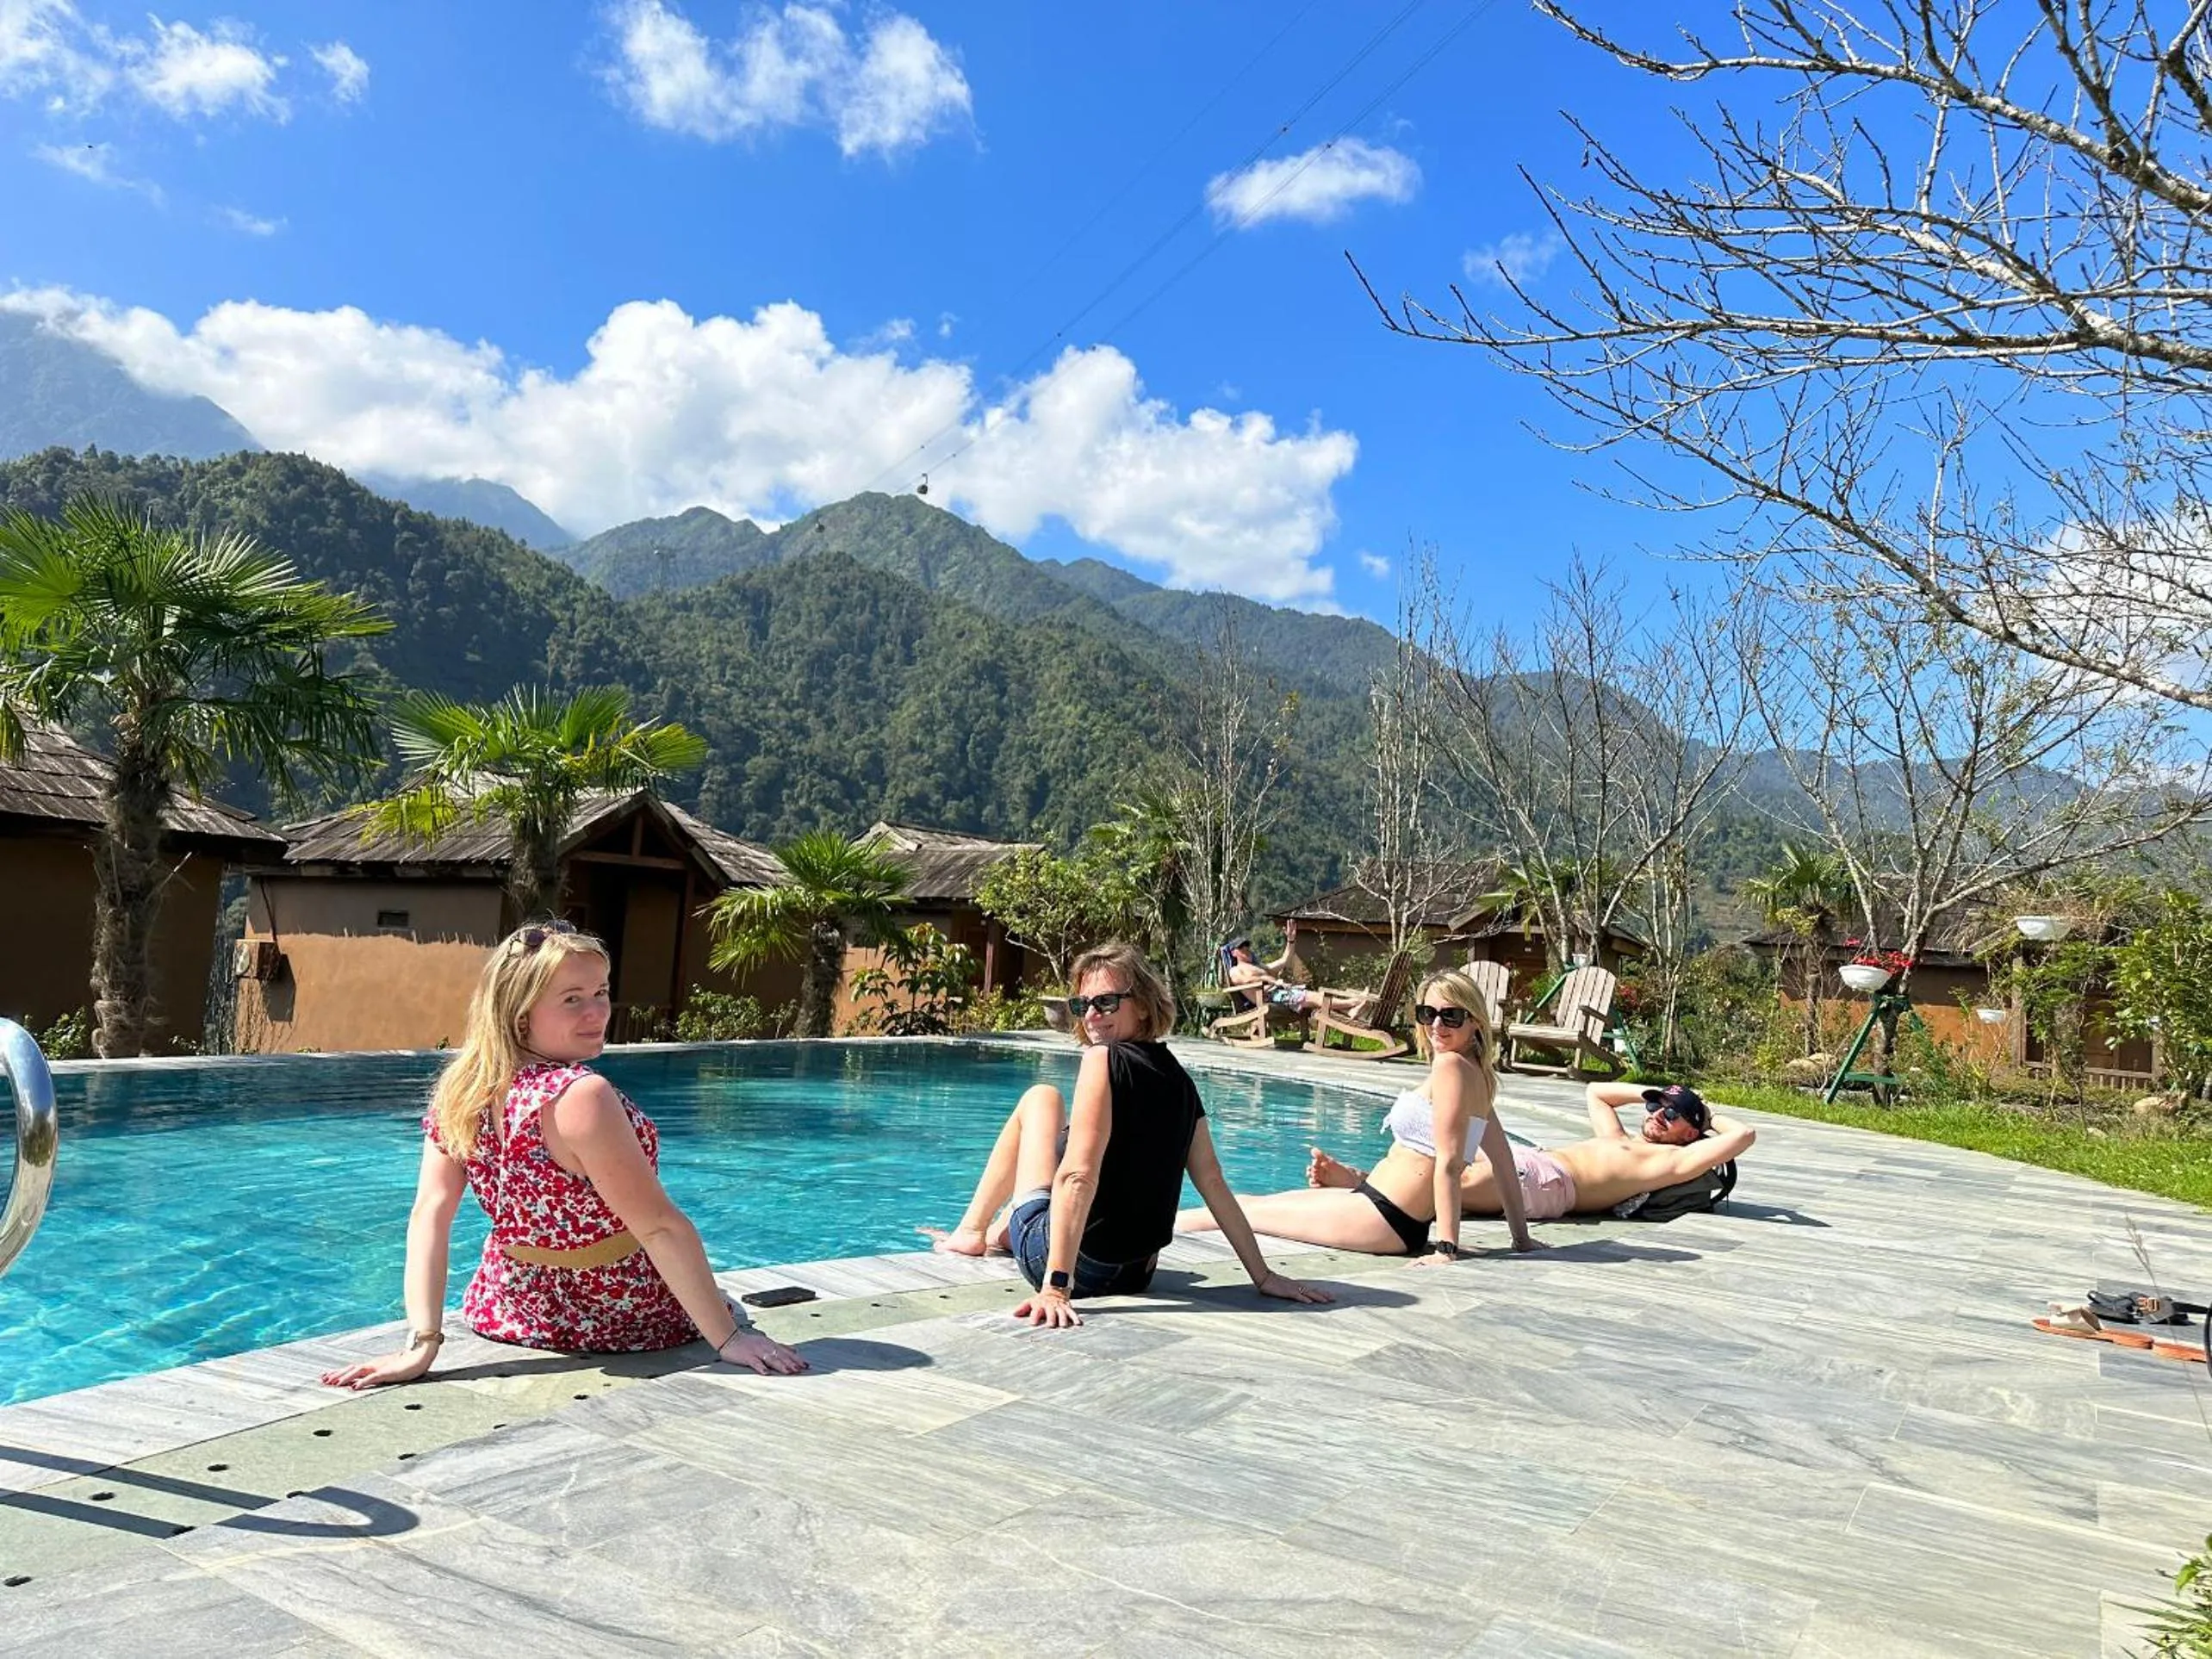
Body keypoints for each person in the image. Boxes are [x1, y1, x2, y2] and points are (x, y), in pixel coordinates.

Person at [322, 921, 806, 1389]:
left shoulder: (462, 1091)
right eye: (572, 1000)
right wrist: (728, 1337)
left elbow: (430, 1213)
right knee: (729, 1305)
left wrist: (422, 1343)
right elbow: (658, 1226)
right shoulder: (580, 1095)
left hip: (512, 1308)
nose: (597, 1012)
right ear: (520, 1015)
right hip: (624, 1314)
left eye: (600, 992)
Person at [931, 940, 1334, 1327]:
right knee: (1073, 1136)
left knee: (1042, 1099)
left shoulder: (1101, 1059)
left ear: (1142, 1005)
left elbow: (1078, 1176)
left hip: (1076, 1270)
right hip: (1137, 1273)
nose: (1091, 1014)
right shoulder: (1180, 1080)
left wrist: (1056, 1288)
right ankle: (1004, 1230)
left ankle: (972, 1231)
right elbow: (1213, 1182)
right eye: (1081, 1004)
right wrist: (1262, 1276)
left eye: (1105, 1002)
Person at [1177, 967, 1539, 1263]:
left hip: (1385, 1218)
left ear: (1475, 1021)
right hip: (1379, 1206)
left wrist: (1446, 1248)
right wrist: (1520, 1238)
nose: (1437, 1025)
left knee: (1235, 1212)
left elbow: (1447, 1162)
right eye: (1428, 1014)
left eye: (1451, 1016)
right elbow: (1503, 1159)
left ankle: (1133, 1236)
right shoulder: (1477, 1076)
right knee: (1246, 1205)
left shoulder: (1450, 1068)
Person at [1307, 1080, 1756, 1221]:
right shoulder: (1620, 1139)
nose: (1659, 1115)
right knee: (1438, 1155)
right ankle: (1369, 1182)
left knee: (1454, 1183)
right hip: (1534, 1161)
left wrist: (1707, 1116)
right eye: (1659, 1108)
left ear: (1691, 1136)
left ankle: (1362, 1188)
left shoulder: (1674, 1162)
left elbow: (1745, 1135)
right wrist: (1652, 1093)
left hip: (1551, 1185)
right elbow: (1596, 1092)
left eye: (1672, 1115)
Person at [1221, 936, 1347, 1016]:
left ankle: (1350, 1010)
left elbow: (1284, 960)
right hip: (1267, 997)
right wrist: (1269, 979)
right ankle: (1352, 1002)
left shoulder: (1259, 967)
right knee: (1311, 997)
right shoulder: (1235, 970)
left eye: (1247, 946)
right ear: (1233, 953)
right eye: (1241, 947)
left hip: (1279, 992)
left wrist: (1290, 941)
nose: (1246, 949)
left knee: (1314, 997)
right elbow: (1246, 981)